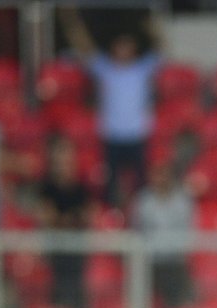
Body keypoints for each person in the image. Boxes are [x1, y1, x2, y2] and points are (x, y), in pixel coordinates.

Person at [59, 6, 162, 208]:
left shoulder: (142, 68)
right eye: (120, 45)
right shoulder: (105, 69)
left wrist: (149, 23)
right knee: (110, 186)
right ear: (114, 48)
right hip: (112, 135)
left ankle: (138, 219)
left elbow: (160, 47)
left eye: (128, 45)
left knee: (141, 185)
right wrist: (70, 19)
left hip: (137, 135)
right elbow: (83, 48)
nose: (124, 50)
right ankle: (110, 221)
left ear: (134, 48)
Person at [37, 136, 93, 308]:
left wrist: (65, 220)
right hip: (54, 254)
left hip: (78, 255)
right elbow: (48, 218)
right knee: (56, 301)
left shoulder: (81, 188)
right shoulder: (46, 188)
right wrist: (70, 220)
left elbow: (89, 216)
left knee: (79, 300)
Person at [131, 158, 195, 308]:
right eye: (157, 174)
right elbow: (137, 232)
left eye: (164, 174)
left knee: (178, 301)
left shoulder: (183, 201)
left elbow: (189, 233)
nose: (161, 178)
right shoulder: (143, 202)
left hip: (176, 263)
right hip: (150, 263)